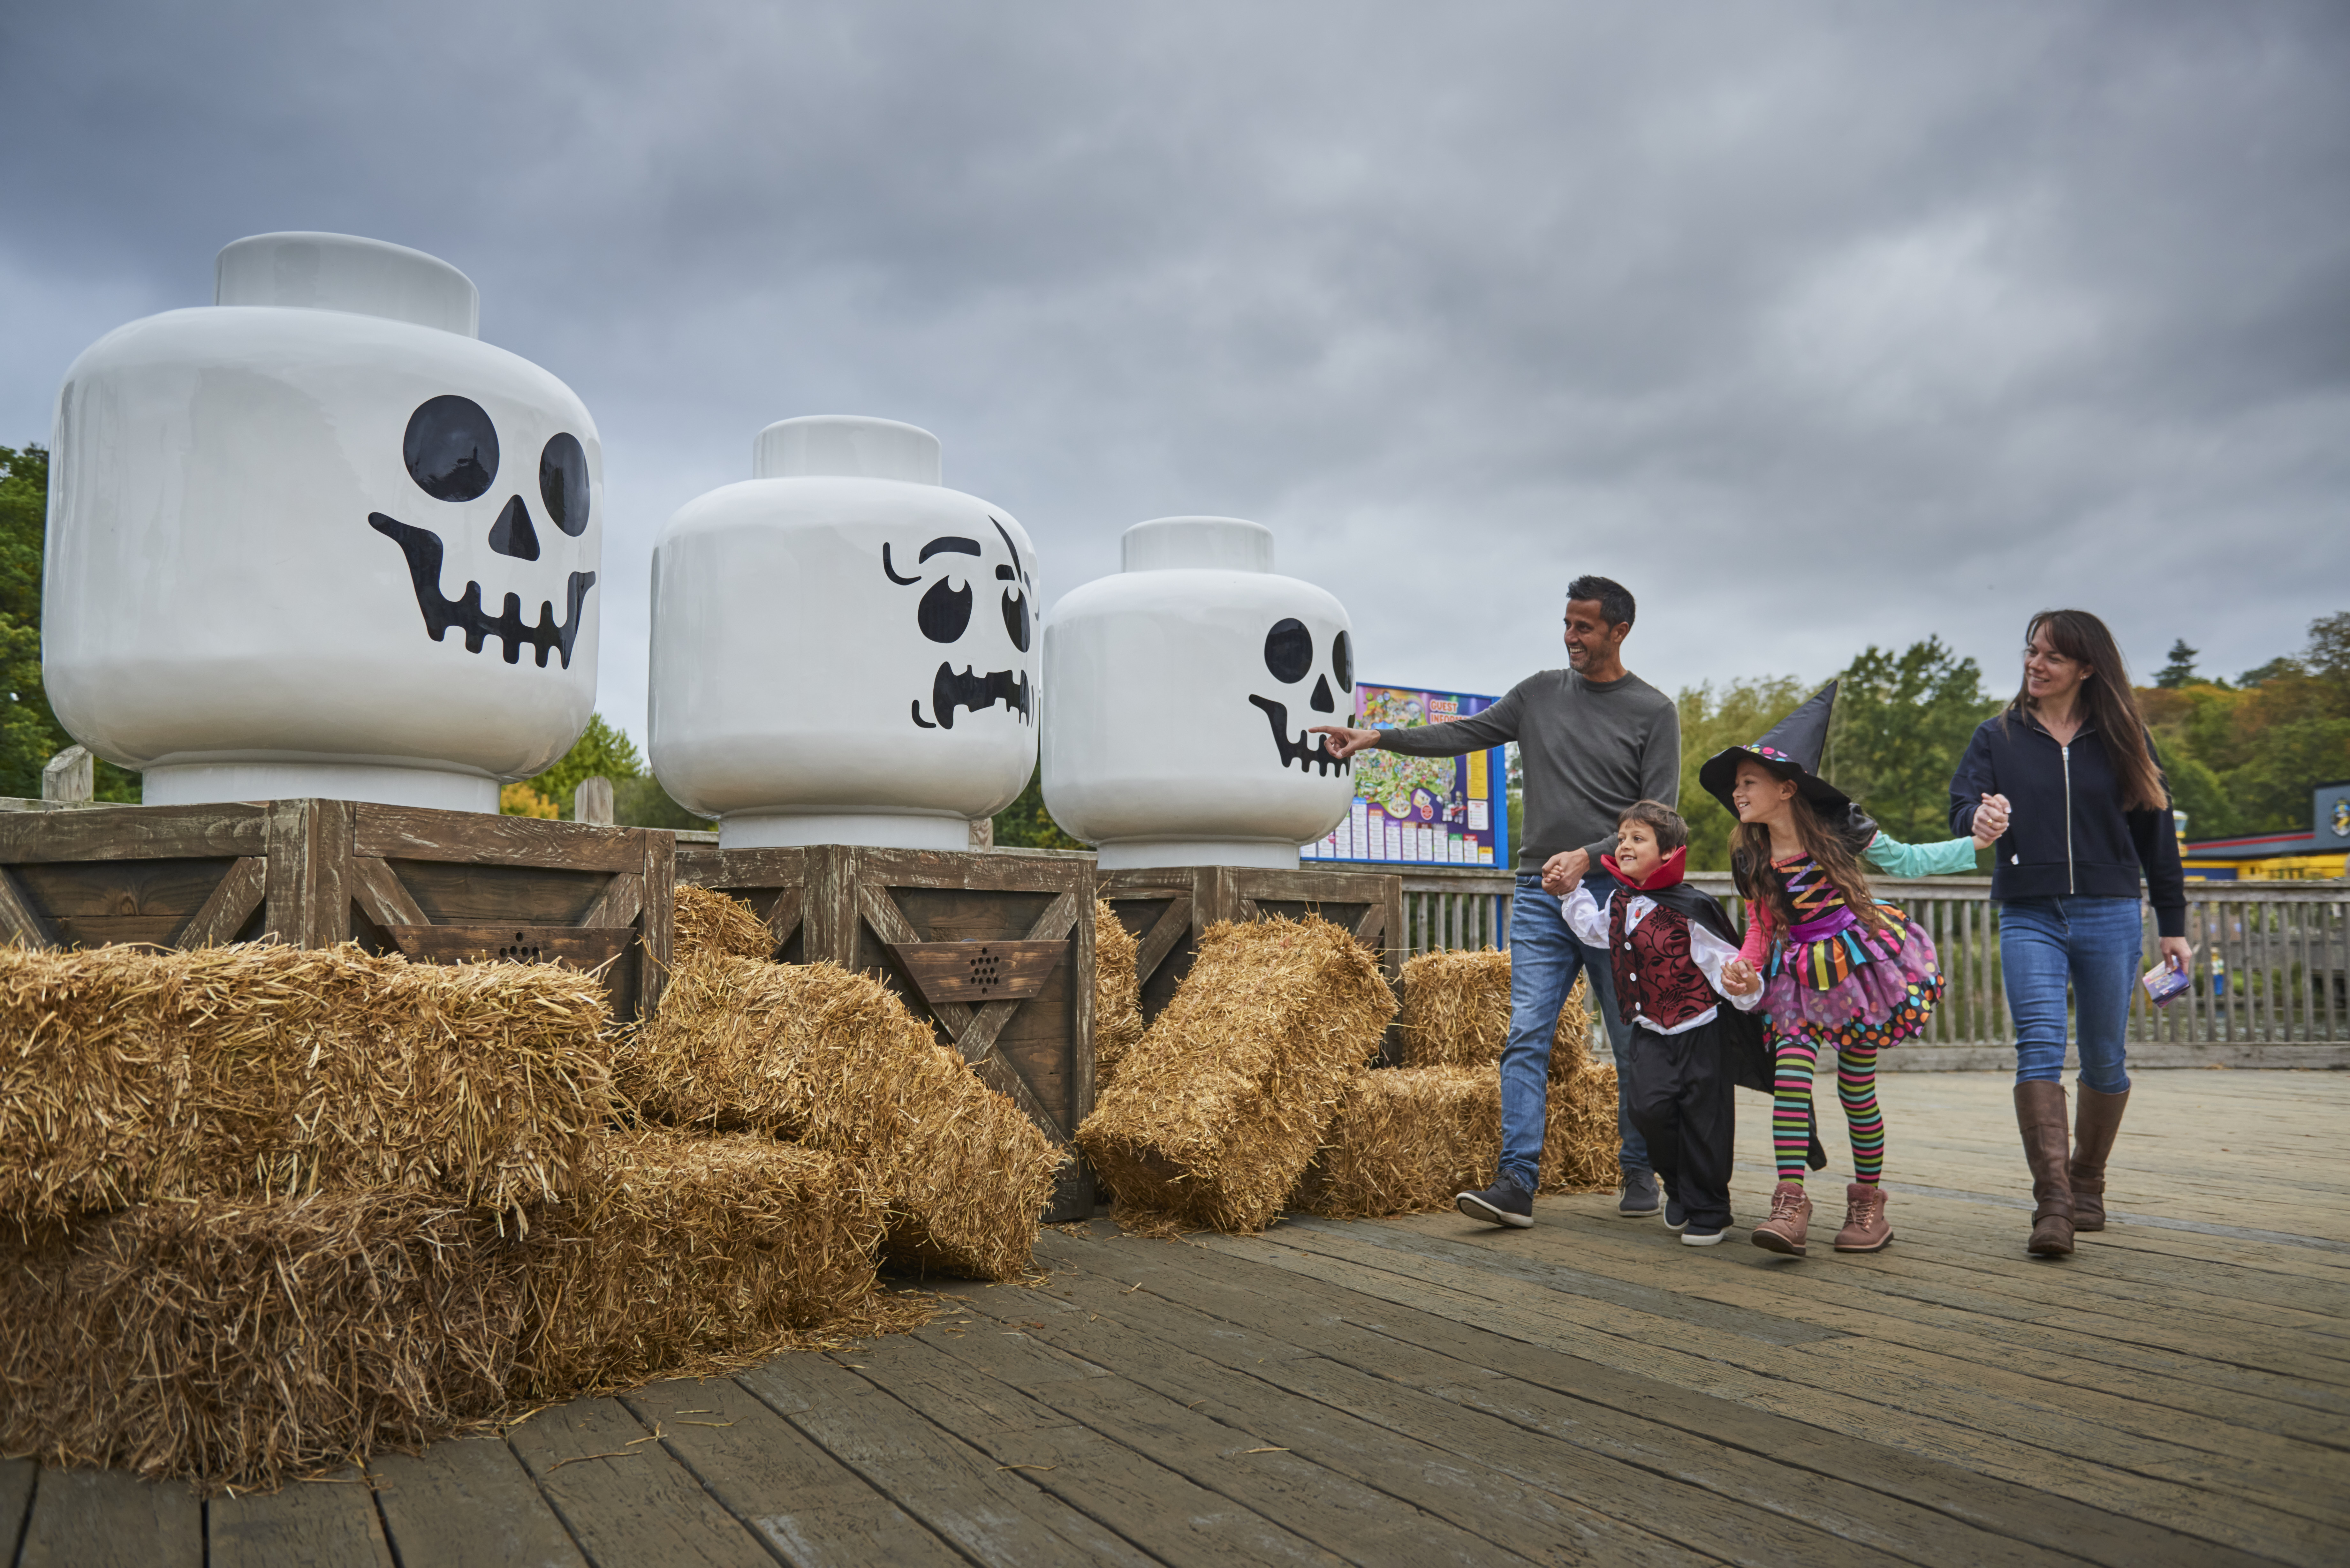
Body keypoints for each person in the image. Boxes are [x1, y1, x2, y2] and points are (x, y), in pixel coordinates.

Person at [1310, 575, 1679, 1227]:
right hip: (1539, 893)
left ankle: (1637, 1165)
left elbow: (1658, 818)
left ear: (1619, 631)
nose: (1569, 636)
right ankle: (1515, 1180)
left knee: (1632, 1040)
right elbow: (1464, 732)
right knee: (1525, 1035)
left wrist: (1590, 857)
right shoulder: (1537, 694)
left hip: (1618, 897)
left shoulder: (1654, 711)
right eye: (1566, 623)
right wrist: (1377, 738)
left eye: (1584, 627)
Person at [1700, 682, 2004, 1256]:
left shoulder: (1840, 826)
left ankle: (1868, 1204)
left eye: (1748, 782)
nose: (1737, 793)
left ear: (1786, 789)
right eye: (1735, 784)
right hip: (1796, 975)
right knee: (1791, 1079)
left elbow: (1909, 861)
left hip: (1857, 963)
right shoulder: (1749, 853)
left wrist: (1974, 842)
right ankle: (1791, 1203)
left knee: (1856, 1089)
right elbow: (1763, 926)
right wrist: (1744, 968)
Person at [1949, 610, 2189, 1258]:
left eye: (2050, 656)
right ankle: (2051, 1203)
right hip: (2028, 909)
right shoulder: (1996, 735)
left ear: (2085, 667)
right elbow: (1959, 804)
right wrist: (1980, 813)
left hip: (2110, 911)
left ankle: (2087, 1178)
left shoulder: (2123, 737)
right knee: (2038, 1047)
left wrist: (2172, 926)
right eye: (2030, 651)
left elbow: (2156, 838)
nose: (2034, 663)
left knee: (2104, 1055)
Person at [1558, 800, 1764, 1245]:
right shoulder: (1619, 900)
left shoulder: (1691, 908)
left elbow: (1724, 964)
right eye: (1623, 838)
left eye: (1638, 839)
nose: (1625, 845)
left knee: (1704, 1122)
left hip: (1700, 1032)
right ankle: (1679, 1188)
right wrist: (1572, 891)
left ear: (1669, 854)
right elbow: (1596, 931)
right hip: (1650, 1032)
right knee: (1648, 1112)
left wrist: (1744, 984)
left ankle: (1711, 1209)